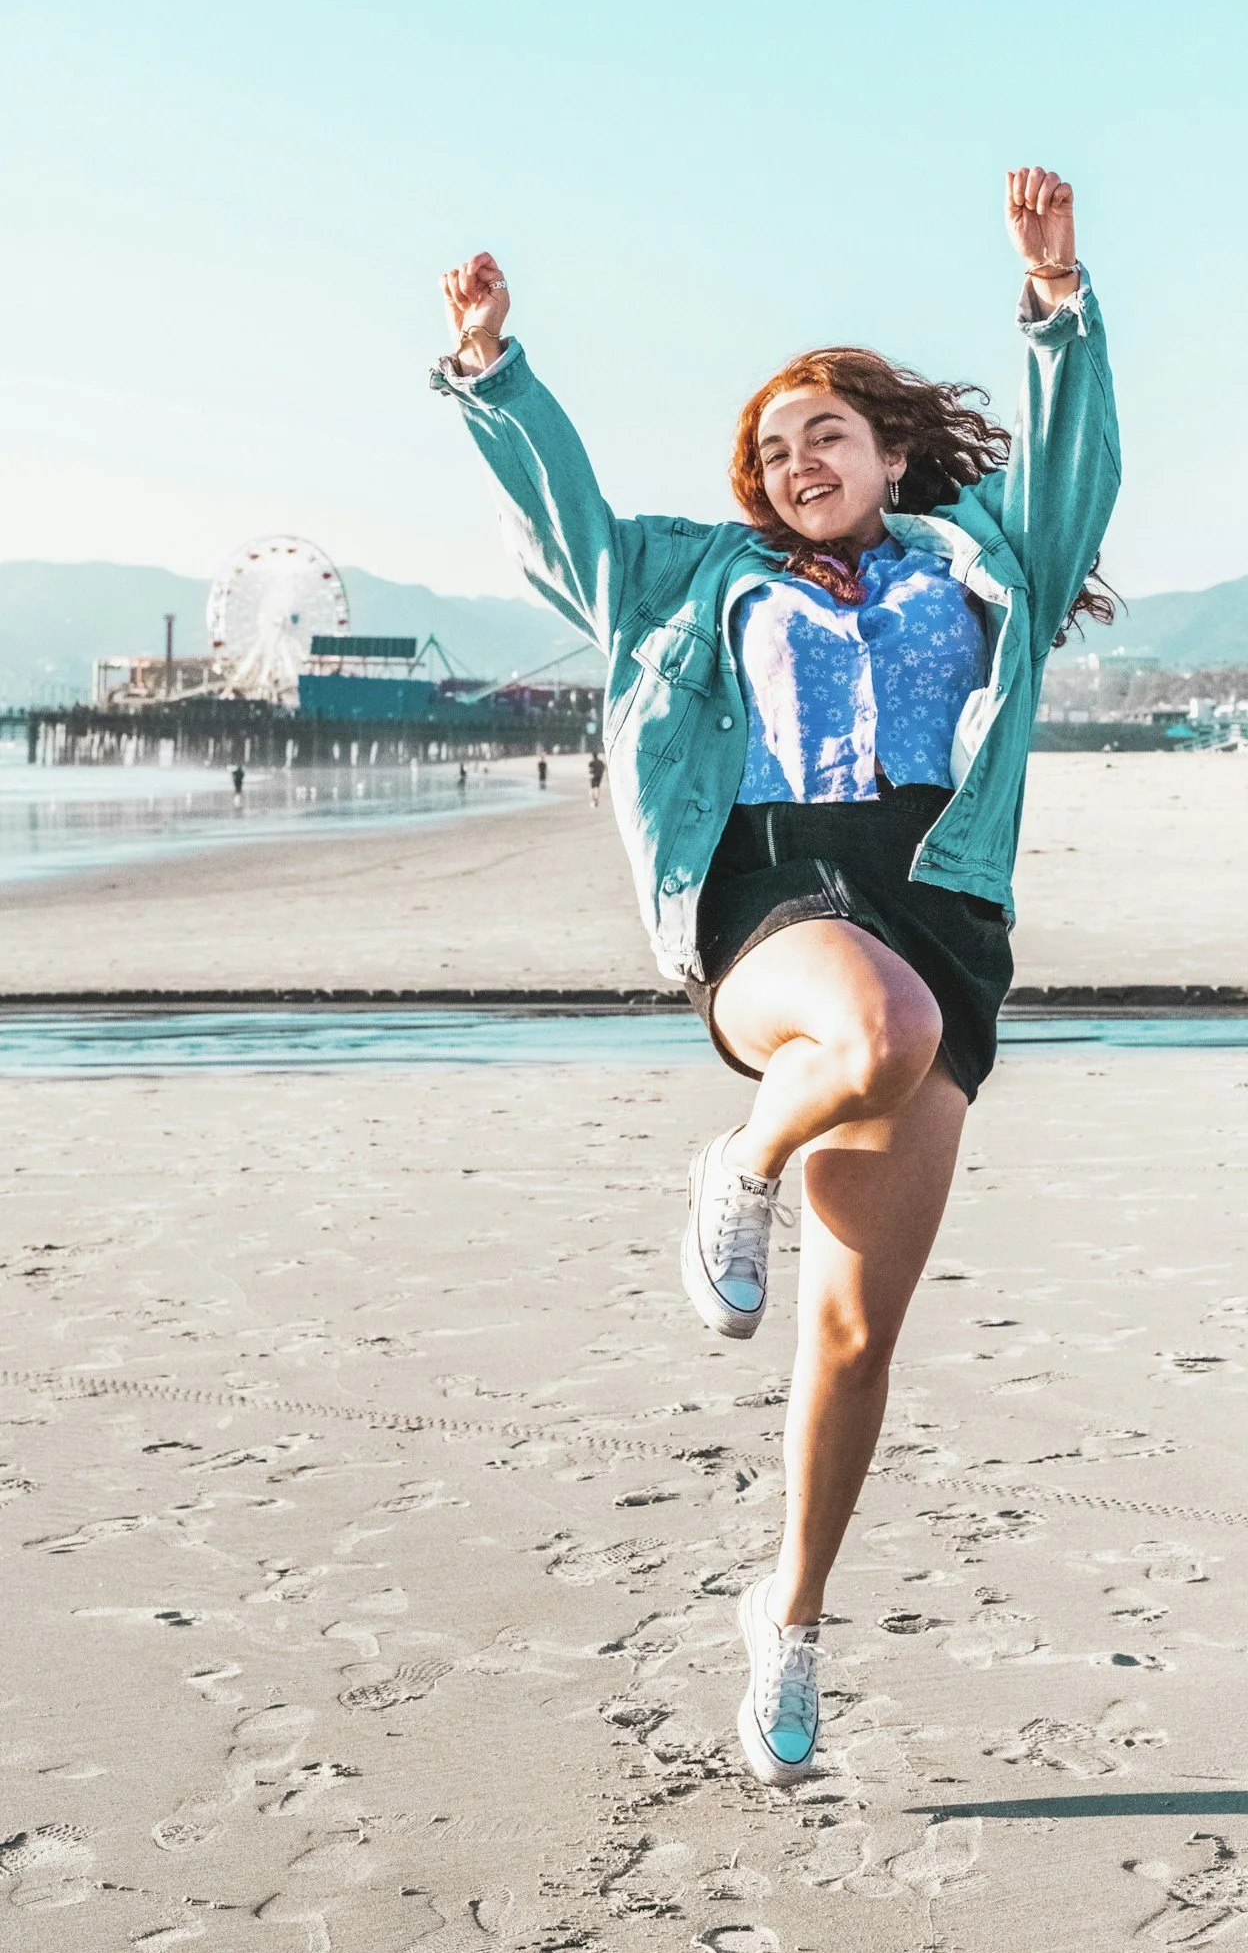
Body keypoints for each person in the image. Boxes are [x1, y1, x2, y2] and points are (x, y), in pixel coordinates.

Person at [433, 169, 1120, 1787]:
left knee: (851, 1338)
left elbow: (1074, 477)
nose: (795, 462)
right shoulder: (693, 579)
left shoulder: (980, 565)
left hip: (938, 898)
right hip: (767, 894)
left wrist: (1059, 308)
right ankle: (736, 1164)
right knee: (874, 1028)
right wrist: (493, 372)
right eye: (769, 447)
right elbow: (566, 532)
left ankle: (790, 1620)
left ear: (887, 456)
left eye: (824, 435)